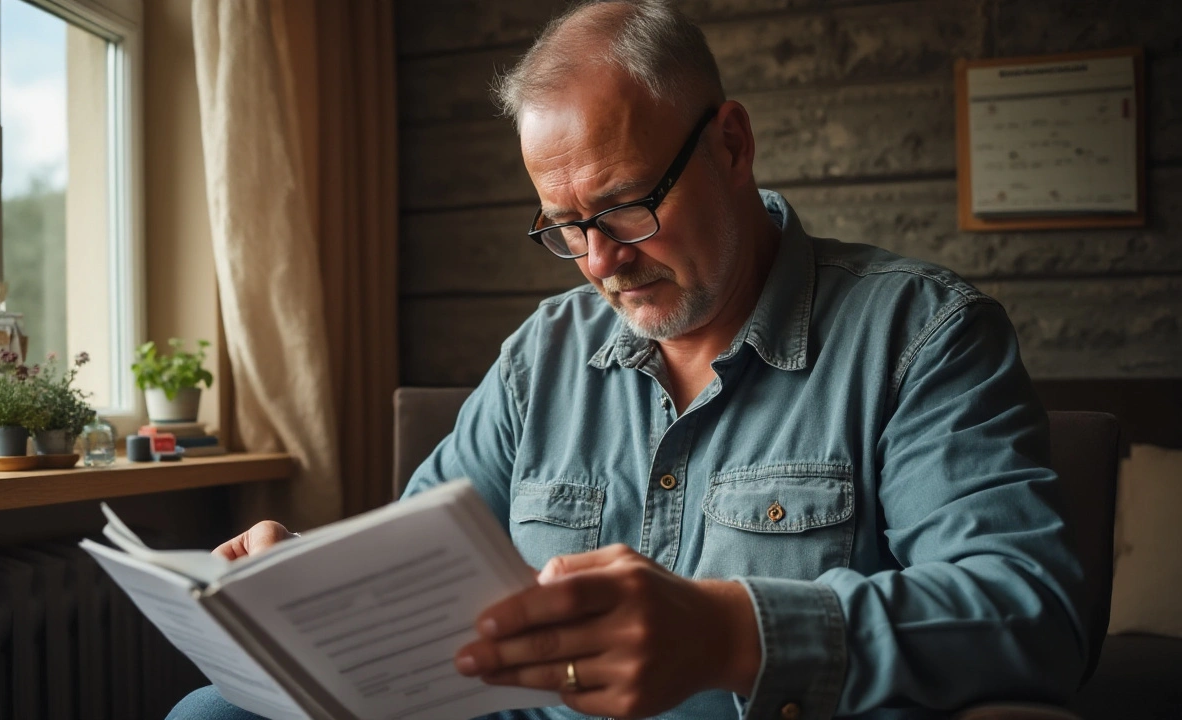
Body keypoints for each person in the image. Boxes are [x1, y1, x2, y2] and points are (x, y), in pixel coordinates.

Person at [171, 1, 1086, 718]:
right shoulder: (543, 355)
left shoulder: (921, 336)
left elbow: (1025, 611)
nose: (600, 259)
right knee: (211, 712)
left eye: (623, 206)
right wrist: (313, 582)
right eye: (566, 226)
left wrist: (733, 633)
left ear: (731, 144)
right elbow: (415, 562)